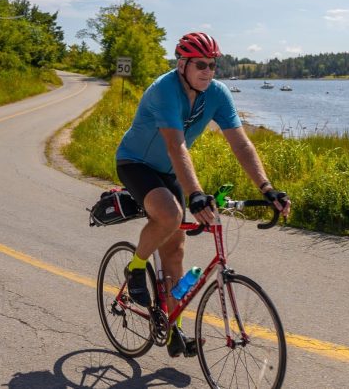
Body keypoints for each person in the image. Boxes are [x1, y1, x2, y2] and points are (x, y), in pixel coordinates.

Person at [115, 32, 291, 358]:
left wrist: (267, 188)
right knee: (168, 214)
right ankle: (136, 266)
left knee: (176, 251)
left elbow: (241, 144)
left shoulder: (218, 94)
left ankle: (171, 329)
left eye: (212, 65)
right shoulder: (164, 91)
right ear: (182, 64)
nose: (208, 71)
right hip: (135, 162)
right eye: (200, 65)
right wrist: (195, 193)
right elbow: (175, 145)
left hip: (169, 171)